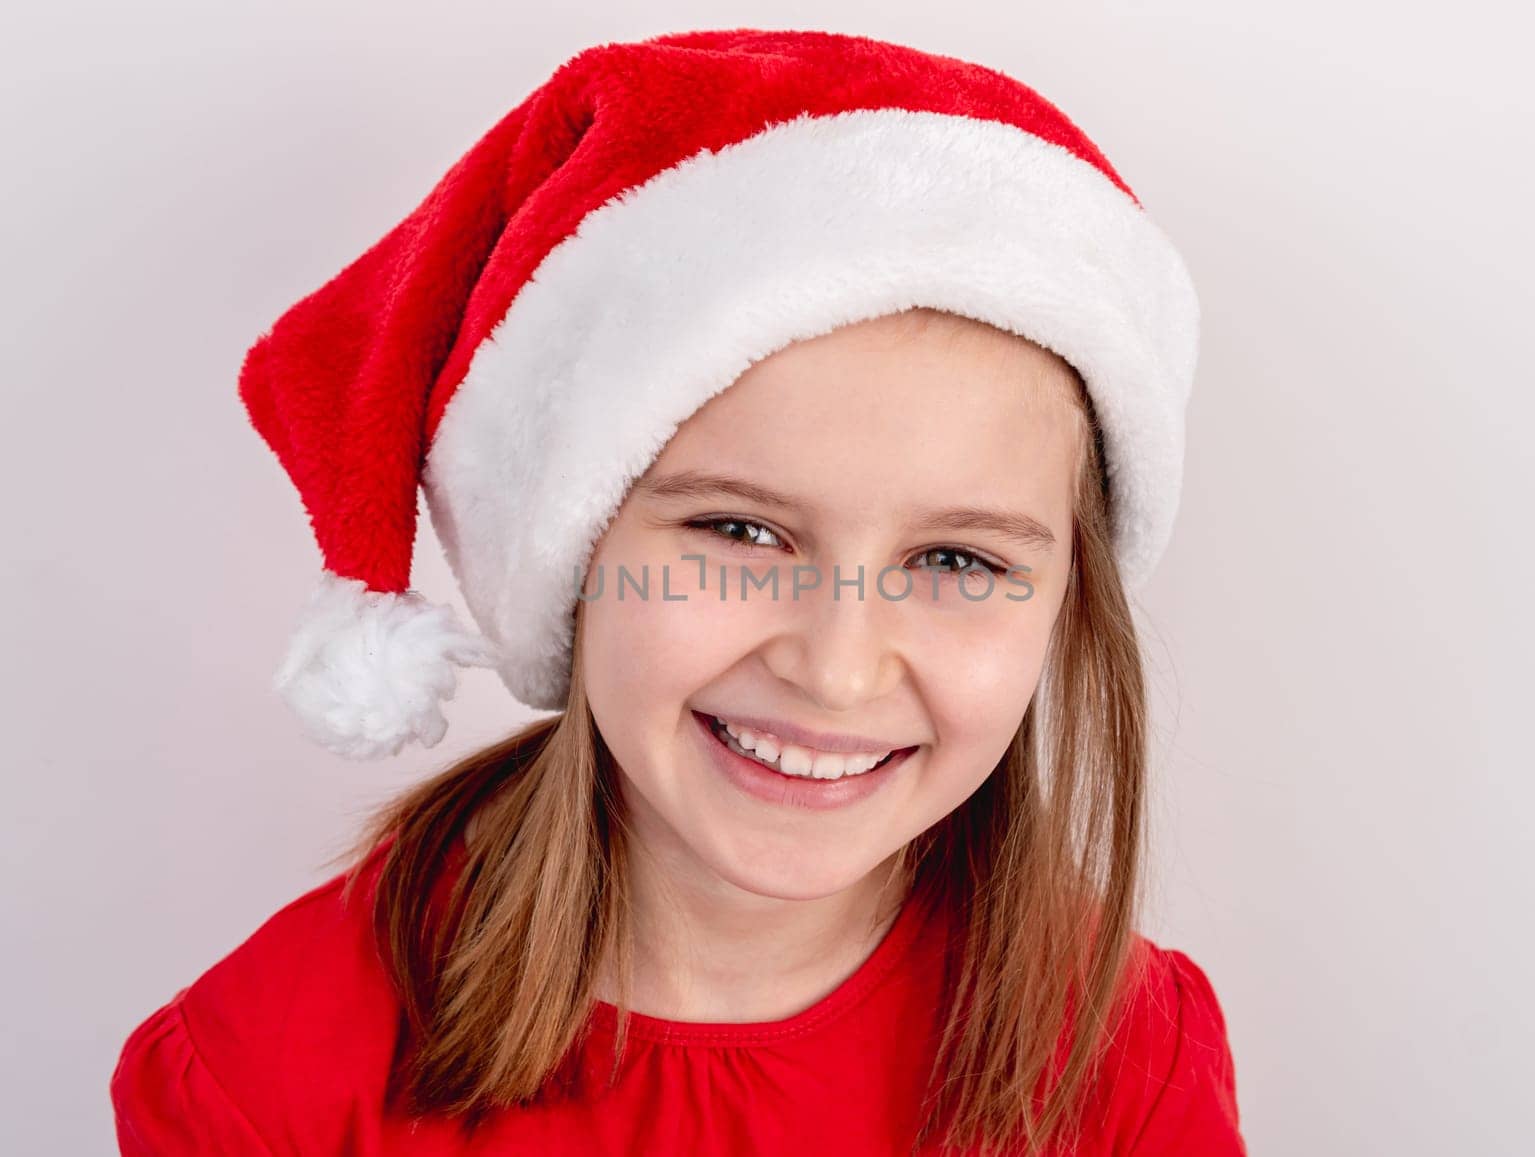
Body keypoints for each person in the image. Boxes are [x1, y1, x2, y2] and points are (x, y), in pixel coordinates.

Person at [109, 27, 1246, 1156]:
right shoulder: (266, 1076)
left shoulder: (1125, 1063)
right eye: (739, 530)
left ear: (1064, 605)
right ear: (572, 557)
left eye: (958, 560)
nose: (837, 665)